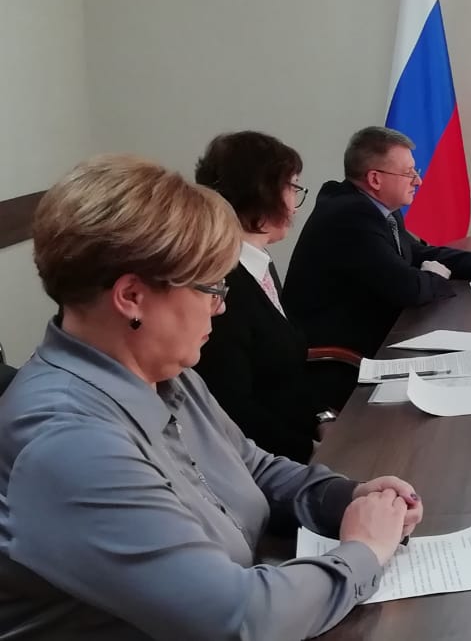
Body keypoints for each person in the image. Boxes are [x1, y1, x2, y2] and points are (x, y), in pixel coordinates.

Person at [0, 155, 423, 640]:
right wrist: (364, 551)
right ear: (132, 296)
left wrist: (345, 497)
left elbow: (253, 468)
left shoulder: (165, 373)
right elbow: (240, 618)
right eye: (210, 288)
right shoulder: (69, 444)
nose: (221, 308)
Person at [284, 126, 471, 359]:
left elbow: (416, 253)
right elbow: (410, 288)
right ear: (375, 179)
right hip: (344, 355)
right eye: (408, 173)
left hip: (377, 333)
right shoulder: (351, 216)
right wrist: (436, 275)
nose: (418, 181)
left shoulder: (376, 208)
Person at [195, 131, 351, 462]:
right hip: (270, 462)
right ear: (262, 192)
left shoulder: (258, 263)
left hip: (300, 436)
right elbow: (234, 410)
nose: (295, 202)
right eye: (293, 187)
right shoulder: (222, 284)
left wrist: (322, 418)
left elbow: (287, 369)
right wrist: (312, 451)